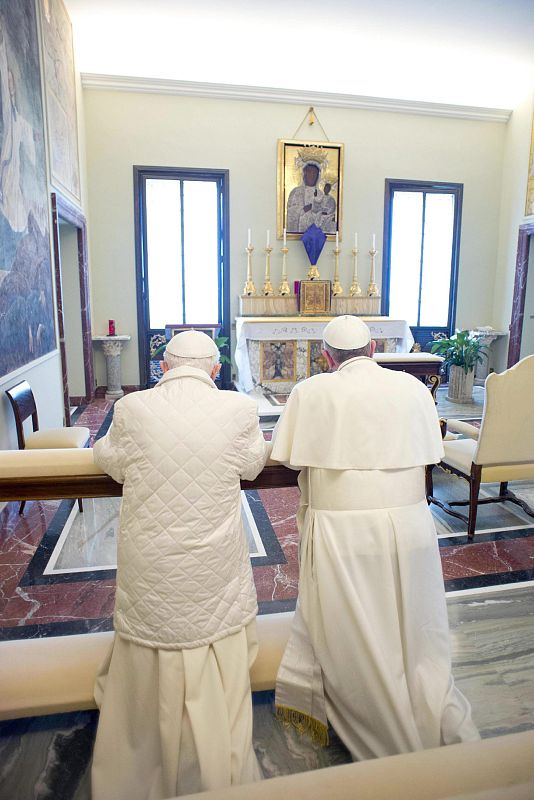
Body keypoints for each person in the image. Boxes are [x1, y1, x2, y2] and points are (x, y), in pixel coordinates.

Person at [271, 315, 479, 760]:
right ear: (372, 350)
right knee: (410, 621)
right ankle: (424, 706)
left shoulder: (312, 391)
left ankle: (387, 736)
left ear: (327, 357)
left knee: (355, 632)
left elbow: (285, 456)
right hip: (411, 524)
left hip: (343, 531)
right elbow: (432, 449)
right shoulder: (411, 389)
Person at [91, 330, 269, 800]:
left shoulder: (132, 408)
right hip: (213, 565)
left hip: (150, 563)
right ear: (216, 370)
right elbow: (254, 464)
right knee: (213, 631)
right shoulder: (239, 409)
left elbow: (108, 459)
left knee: (152, 635)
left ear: (164, 368)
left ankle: (140, 750)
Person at [286, 162, 325, 233]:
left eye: (314, 173)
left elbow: (325, 214)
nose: (312, 175)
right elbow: (290, 212)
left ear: (317, 176)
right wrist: (303, 209)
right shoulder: (296, 192)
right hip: (297, 232)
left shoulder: (320, 194)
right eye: (309, 172)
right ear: (305, 174)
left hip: (314, 234)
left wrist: (317, 211)